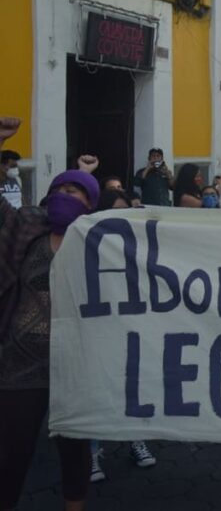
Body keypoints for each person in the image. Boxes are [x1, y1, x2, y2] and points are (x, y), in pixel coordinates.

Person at [0, 117, 96, 511]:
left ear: (90, 204)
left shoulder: (102, 241)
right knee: (11, 452)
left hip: (76, 366)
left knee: (75, 450)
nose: (64, 195)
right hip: (20, 364)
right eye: (58, 189)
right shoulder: (27, 227)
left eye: (75, 191)